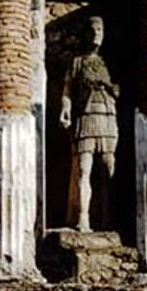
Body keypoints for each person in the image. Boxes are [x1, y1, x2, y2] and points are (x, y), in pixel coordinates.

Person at [60, 16, 119, 232]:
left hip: (108, 117)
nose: (96, 33)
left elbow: (119, 91)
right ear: (85, 34)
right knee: (84, 169)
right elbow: (67, 90)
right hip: (86, 117)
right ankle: (82, 218)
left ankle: (106, 219)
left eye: (100, 30)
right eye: (92, 29)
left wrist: (107, 85)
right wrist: (65, 110)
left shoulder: (109, 62)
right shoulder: (77, 62)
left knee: (107, 169)